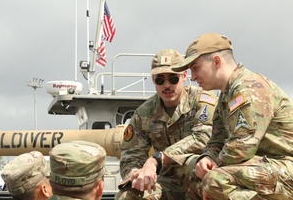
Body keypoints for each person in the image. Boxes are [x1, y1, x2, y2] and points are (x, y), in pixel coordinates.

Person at [170, 32, 293, 200]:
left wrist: (215, 165)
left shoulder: (248, 87)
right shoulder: (225, 96)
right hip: (261, 167)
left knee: (216, 180)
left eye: (196, 68)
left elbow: (242, 146)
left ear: (216, 62)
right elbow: (217, 140)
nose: (193, 77)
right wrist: (207, 158)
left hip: (284, 169)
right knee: (196, 176)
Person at [115, 49, 218, 200]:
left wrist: (157, 159)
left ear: (184, 76)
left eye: (173, 79)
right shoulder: (143, 114)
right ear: (153, 80)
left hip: (197, 178)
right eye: (160, 80)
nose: (167, 85)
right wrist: (136, 174)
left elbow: (203, 137)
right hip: (165, 183)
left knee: (197, 166)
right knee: (127, 196)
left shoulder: (201, 101)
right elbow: (131, 154)